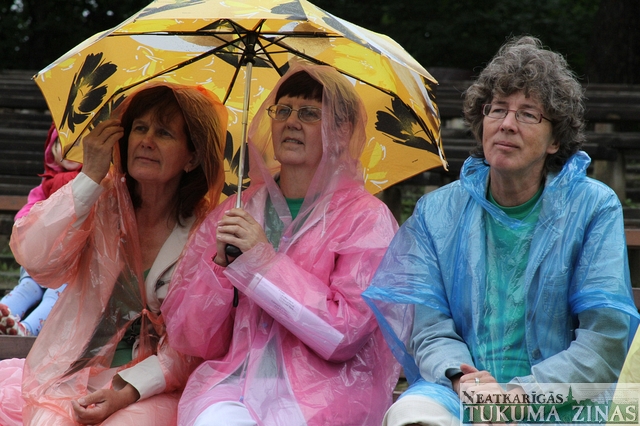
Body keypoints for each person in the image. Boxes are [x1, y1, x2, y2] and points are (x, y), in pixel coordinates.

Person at [361, 36, 640, 426]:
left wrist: (518, 397)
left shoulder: (593, 207)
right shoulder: (438, 211)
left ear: (555, 139)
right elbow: (430, 329)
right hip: (462, 392)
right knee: (410, 415)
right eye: (497, 110)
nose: (507, 124)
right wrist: (466, 382)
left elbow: (602, 342)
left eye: (528, 114)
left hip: (559, 399)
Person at [162, 62, 400, 425]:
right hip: (234, 385)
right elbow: (192, 337)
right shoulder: (238, 211)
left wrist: (261, 263)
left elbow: (342, 335)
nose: (291, 122)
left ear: (342, 132)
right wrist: (219, 273)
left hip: (323, 396)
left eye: (309, 113)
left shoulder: (367, 220)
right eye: (283, 110)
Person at [0, 82, 228, 426]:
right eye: (140, 128)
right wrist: (89, 177)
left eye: (164, 133)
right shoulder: (102, 201)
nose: (146, 140)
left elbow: (193, 348)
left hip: (154, 388)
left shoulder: (206, 232)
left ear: (192, 157)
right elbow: (35, 259)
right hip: (73, 373)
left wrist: (126, 391)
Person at [0, 122, 81, 336]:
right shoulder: (46, 185)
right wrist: (28, 223)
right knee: (28, 287)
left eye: (77, 143)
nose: (68, 148)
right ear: (51, 150)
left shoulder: (90, 182)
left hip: (71, 261)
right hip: (42, 256)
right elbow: (27, 212)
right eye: (61, 142)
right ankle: (4, 315)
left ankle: (26, 329)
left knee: (55, 295)